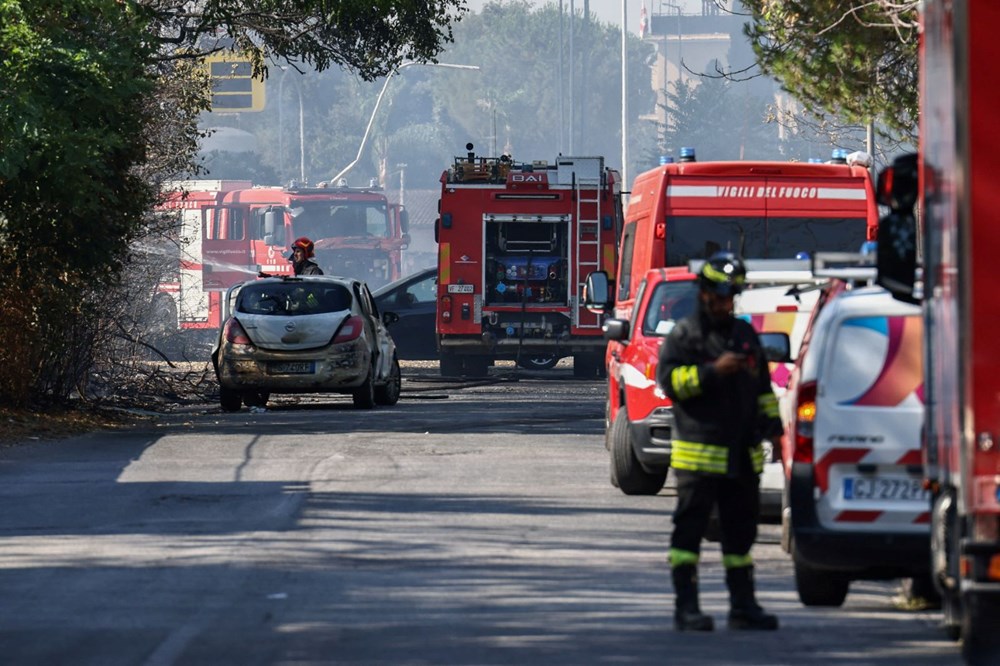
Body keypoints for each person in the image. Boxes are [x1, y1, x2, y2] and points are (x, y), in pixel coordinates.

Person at [656, 251, 782, 632]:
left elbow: (762, 388)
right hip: (698, 459)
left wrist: (774, 426)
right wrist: (712, 372)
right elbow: (672, 384)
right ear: (706, 294)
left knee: (741, 535)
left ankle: (743, 607)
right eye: (723, 295)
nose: (728, 303)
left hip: (741, 457)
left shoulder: (744, 335)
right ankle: (687, 608)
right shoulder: (685, 335)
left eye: (733, 296)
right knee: (689, 534)